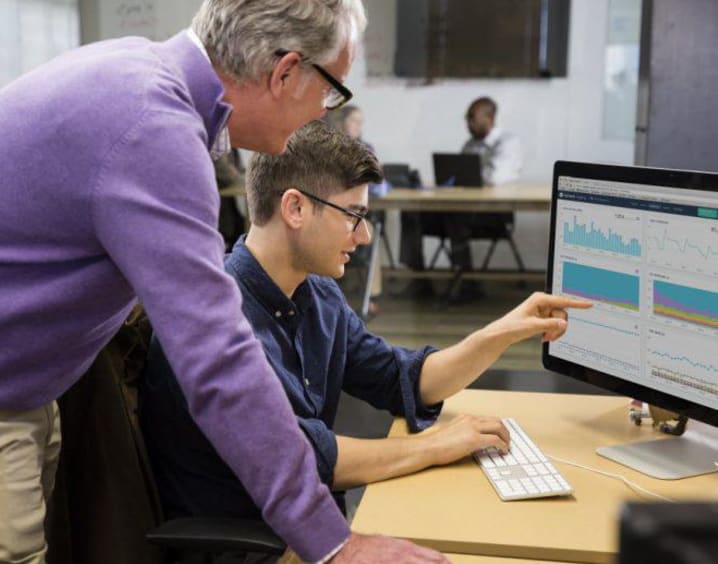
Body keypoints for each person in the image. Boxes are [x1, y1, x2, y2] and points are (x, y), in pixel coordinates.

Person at [0, 1, 445, 562]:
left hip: (21, 386)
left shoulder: (139, 75)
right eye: (332, 89)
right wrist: (332, 542)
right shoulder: (154, 129)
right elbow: (218, 357)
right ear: (285, 72)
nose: (323, 112)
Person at [139, 121, 591, 531]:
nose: (365, 236)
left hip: (308, 523)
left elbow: (400, 378)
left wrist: (503, 331)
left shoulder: (314, 294)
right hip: (256, 545)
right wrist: (437, 445)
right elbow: (307, 458)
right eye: (353, 215)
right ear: (295, 209)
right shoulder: (216, 322)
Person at [400, 96, 523, 300]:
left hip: (493, 214)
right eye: (467, 119)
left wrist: (467, 175)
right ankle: (418, 278)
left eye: (472, 118)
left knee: (454, 215)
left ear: (489, 117)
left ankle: (465, 281)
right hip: (462, 209)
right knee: (411, 213)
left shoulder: (508, 143)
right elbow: (458, 175)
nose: (468, 124)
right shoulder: (470, 144)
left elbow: (494, 177)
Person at [330, 105, 389, 316]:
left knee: (370, 231)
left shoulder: (366, 149)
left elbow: (379, 185)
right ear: (342, 121)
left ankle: (370, 298)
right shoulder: (328, 148)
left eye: (360, 121)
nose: (358, 126)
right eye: (354, 120)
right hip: (329, 212)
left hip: (355, 215)